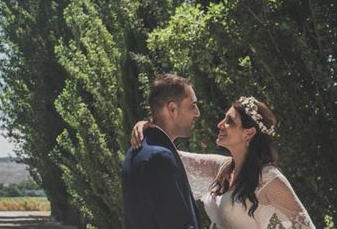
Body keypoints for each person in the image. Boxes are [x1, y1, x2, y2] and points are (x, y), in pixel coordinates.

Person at [131, 96, 315, 229]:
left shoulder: (268, 178)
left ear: (249, 133)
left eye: (229, 121)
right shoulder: (223, 168)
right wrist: (148, 130)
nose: (220, 124)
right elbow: (173, 157)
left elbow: (305, 225)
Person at [122, 73, 202, 229]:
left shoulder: (135, 150)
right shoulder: (160, 158)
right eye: (192, 106)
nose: (197, 113)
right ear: (172, 109)